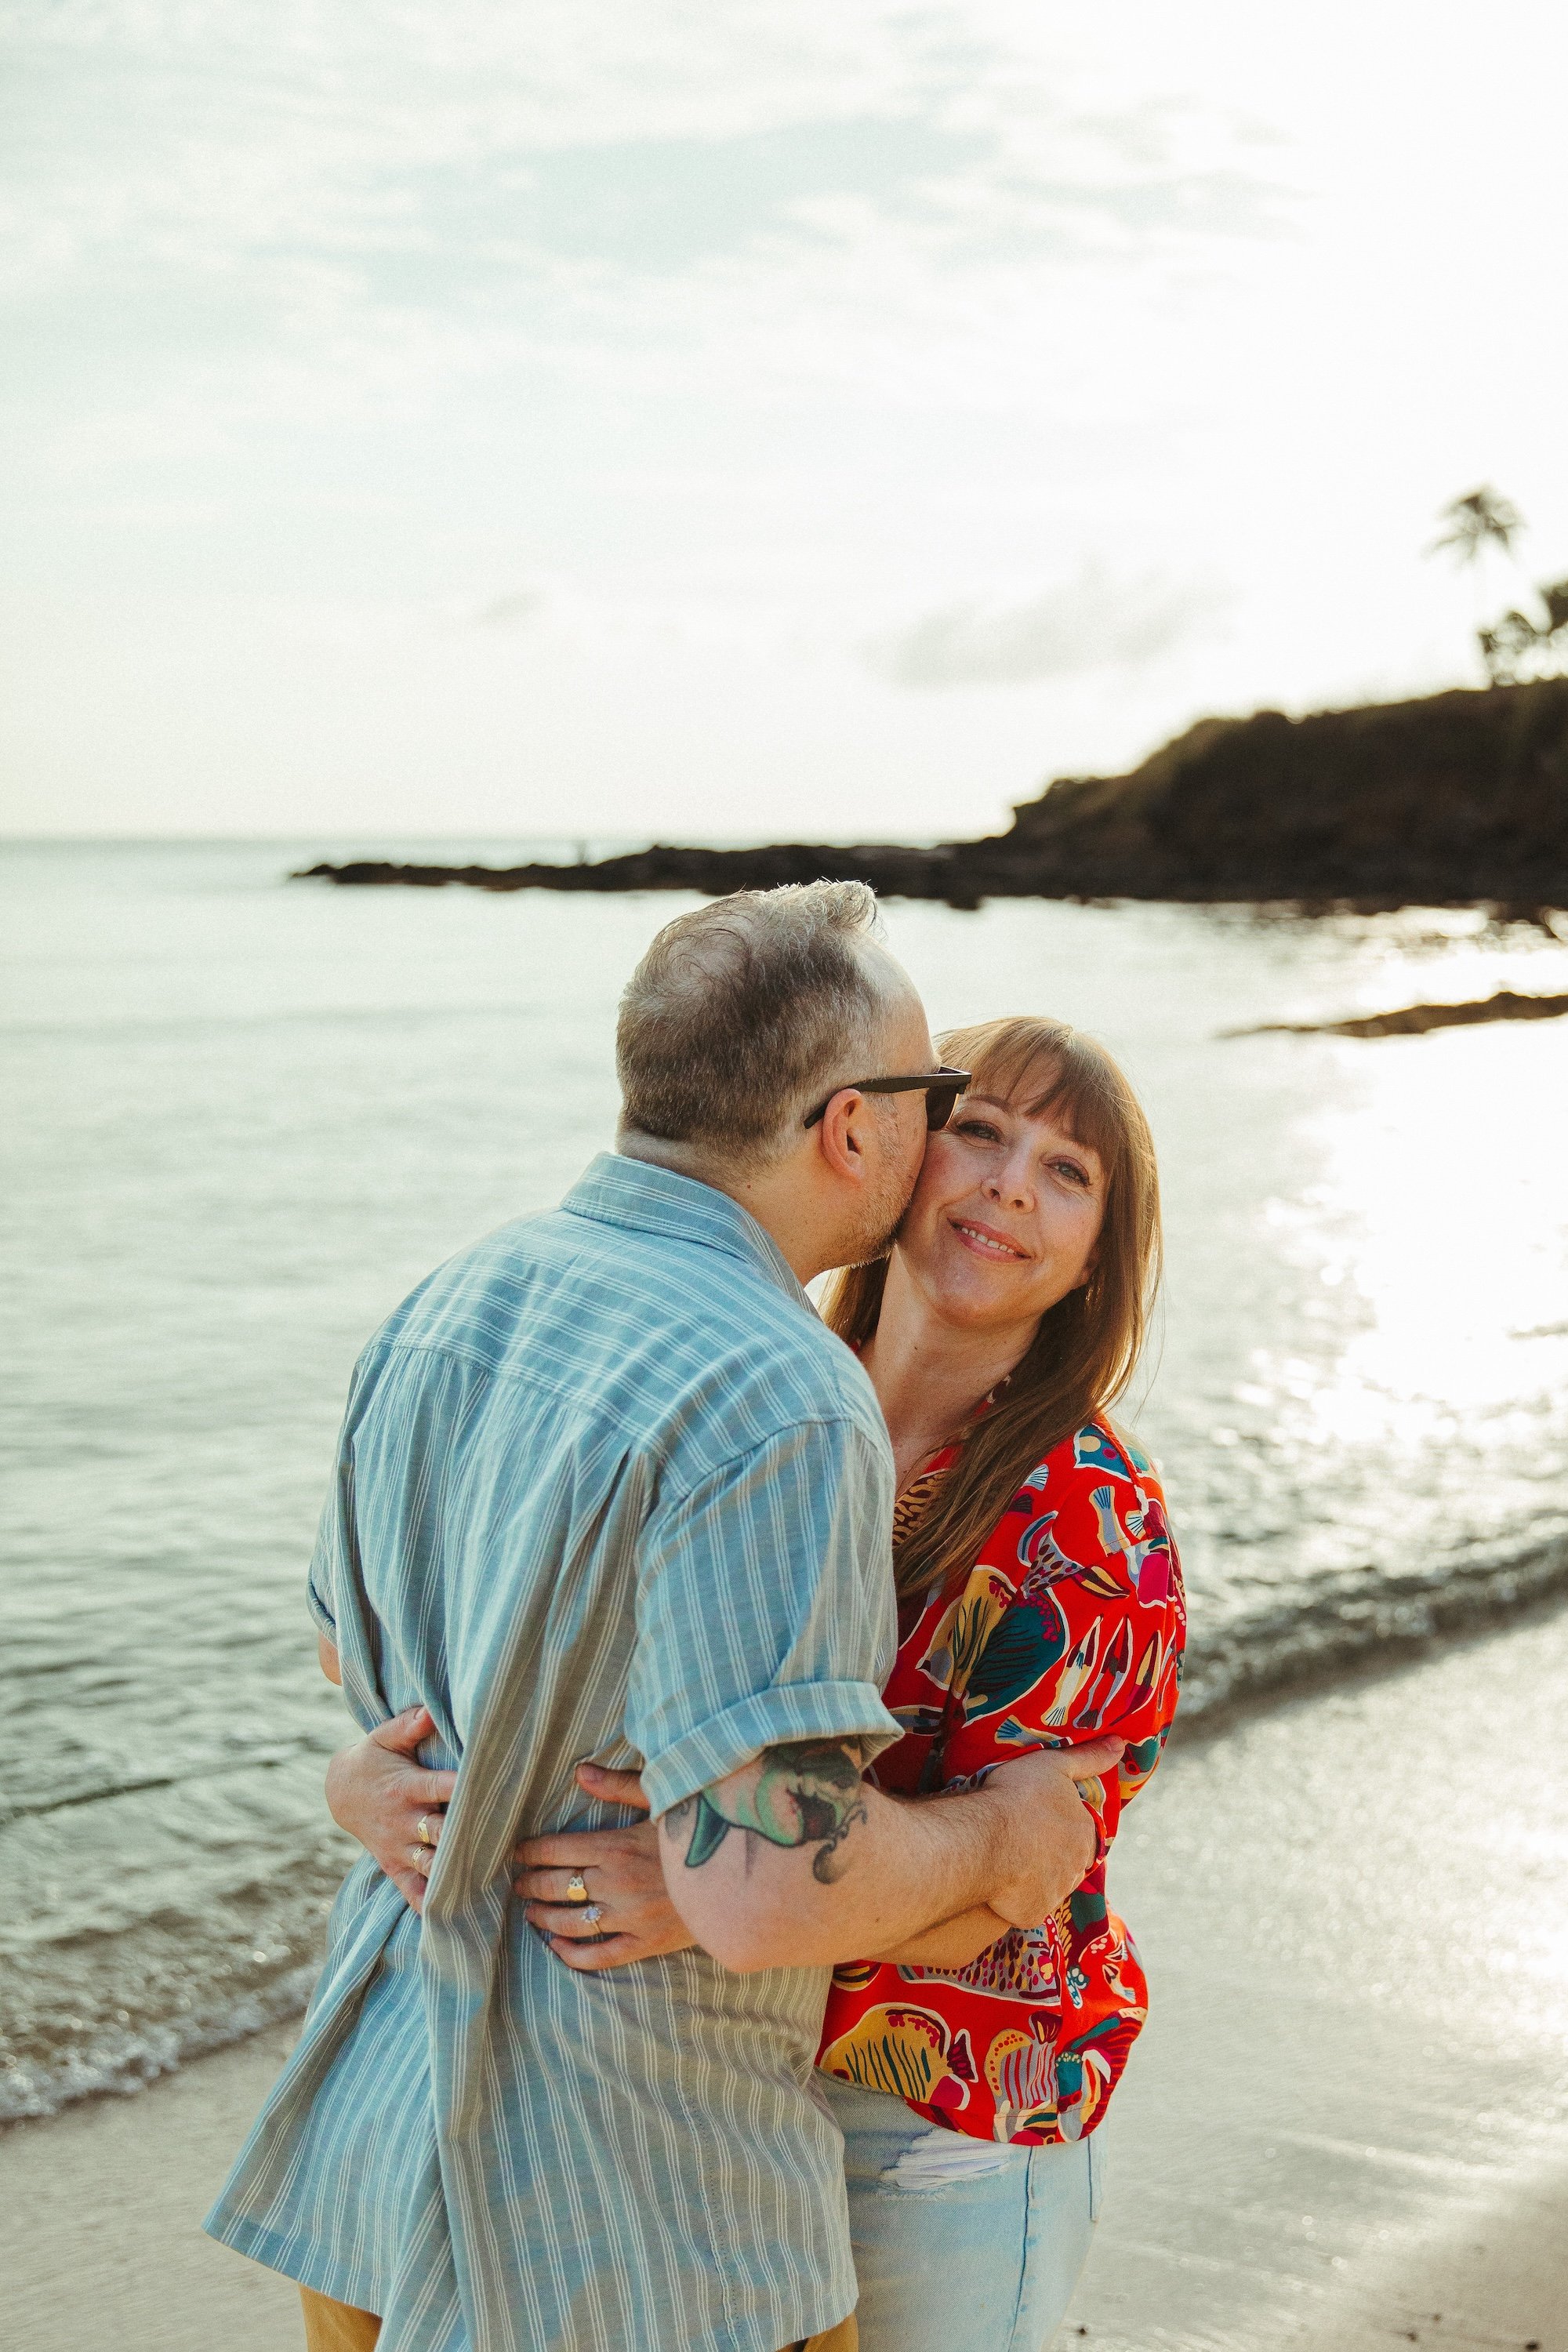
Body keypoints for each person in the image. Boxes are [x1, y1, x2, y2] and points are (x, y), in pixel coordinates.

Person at [204, 887, 1120, 2352]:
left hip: (376, 2143)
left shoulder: (450, 1299)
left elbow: (349, 1654)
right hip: (635, 2216)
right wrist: (1005, 1842)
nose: (951, 1138)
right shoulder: (782, 1391)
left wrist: (383, 1780)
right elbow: (768, 1887)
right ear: (853, 1129)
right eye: (938, 1099)